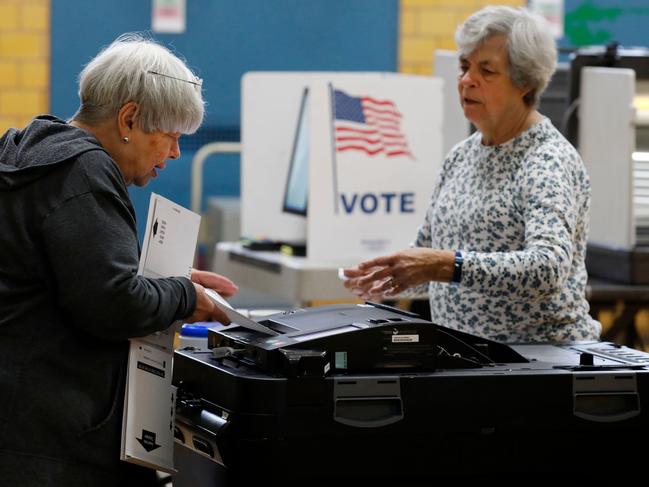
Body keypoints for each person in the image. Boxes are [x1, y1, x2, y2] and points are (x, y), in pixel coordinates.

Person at [0, 34, 238, 486]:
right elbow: (114, 303)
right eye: (169, 137)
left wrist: (171, 281)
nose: (172, 154)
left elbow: (70, 274)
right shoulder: (85, 172)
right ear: (129, 118)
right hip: (49, 435)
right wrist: (186, 295)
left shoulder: (27, 152)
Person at [344, 6, 601, 344]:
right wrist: (391, 274)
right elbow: (429, 253)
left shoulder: (546, 160)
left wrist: (445, 265)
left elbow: (548, 267)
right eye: (464, 67)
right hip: (475, 358)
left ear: (524, 81)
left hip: (542, 361)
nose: (467, 80)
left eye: (486, 71)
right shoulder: (461, 156)